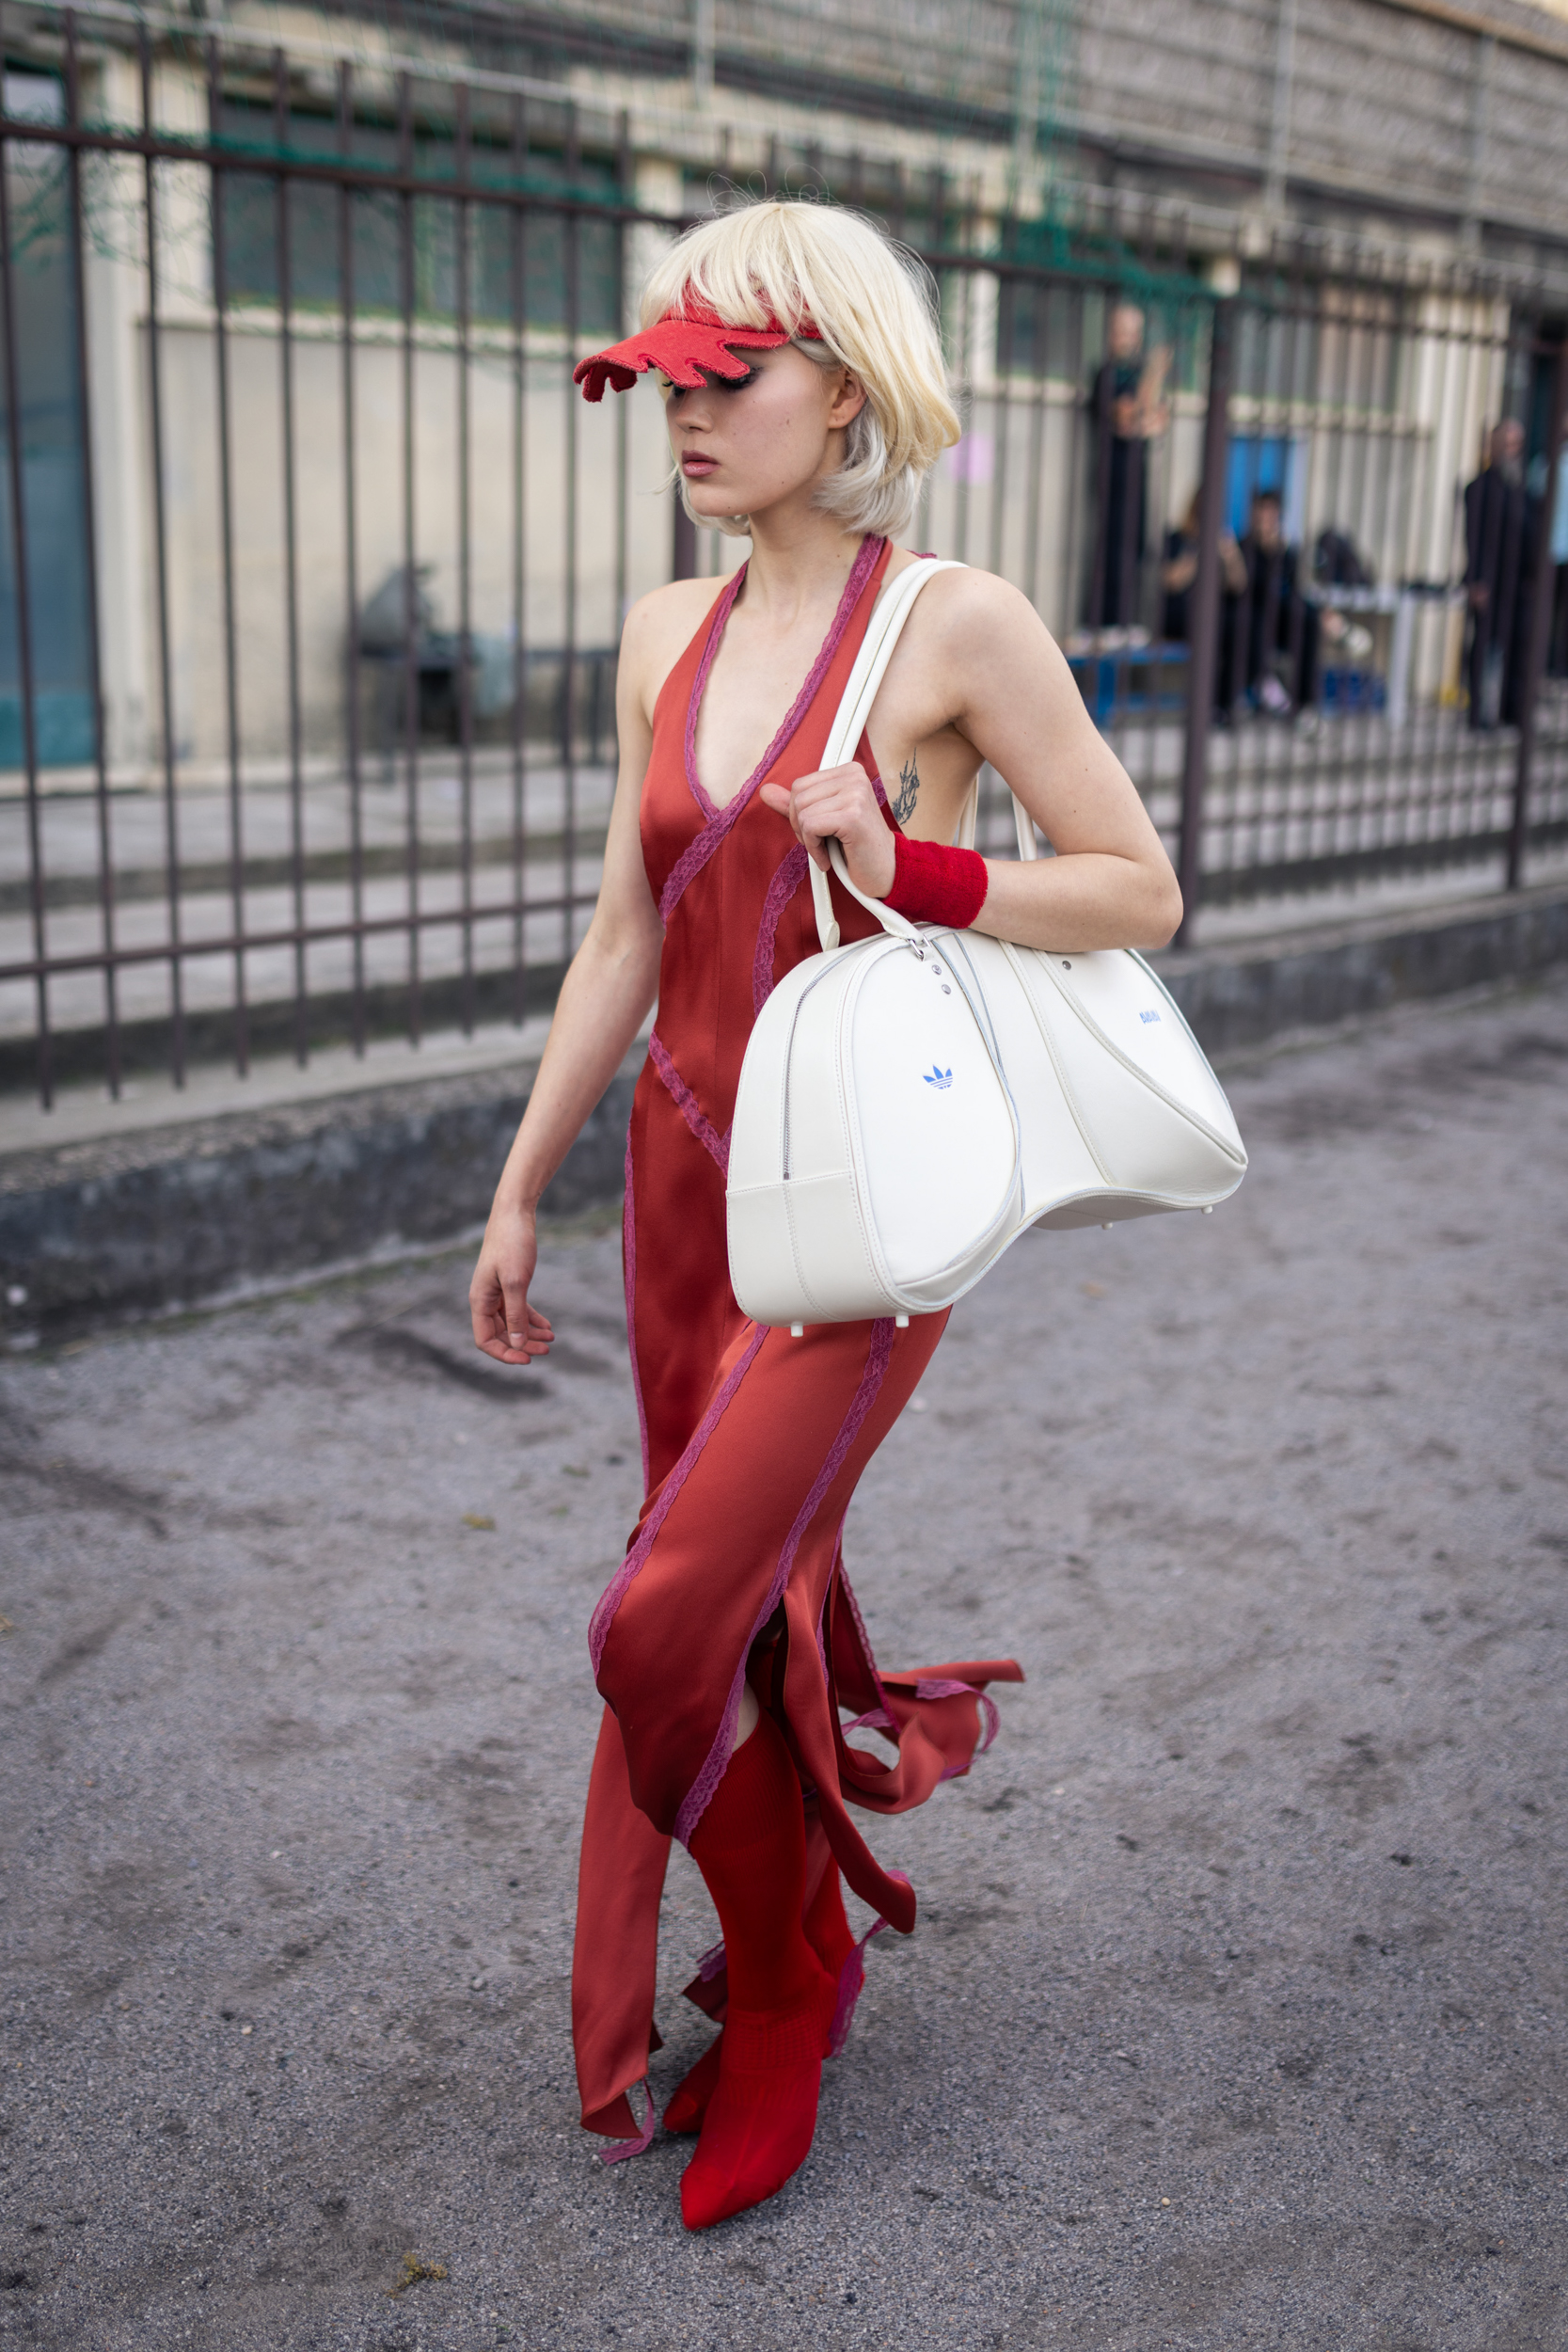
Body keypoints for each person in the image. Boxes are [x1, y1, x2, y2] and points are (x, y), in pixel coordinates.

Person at [467, 199, 1181, 2233]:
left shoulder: (951, 623)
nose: (681, 418)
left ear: (841, 392)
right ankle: (801, 1947)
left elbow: (1134, 886)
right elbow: (621, 931)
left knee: (657, 1618)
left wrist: (913, 862)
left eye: (727, 381)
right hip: (673, 1203)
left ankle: (782, 1975)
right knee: (731, 1600)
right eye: (663, 382)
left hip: (864, 1201)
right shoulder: (654, 632)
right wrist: (518, 1182)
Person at [1088, 302, 1170, 631]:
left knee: (1136, 547)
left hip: (1138, 473)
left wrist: (1143, 415)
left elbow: (1155, 420)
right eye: (1119, 331)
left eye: (1131, 332)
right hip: (1113, 474)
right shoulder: (1106, 374)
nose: (1124, 338)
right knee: (1113, 549)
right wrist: (1155, 373)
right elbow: (1130, 413)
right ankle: (1108, 623)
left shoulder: (1135, 374)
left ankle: (1126, 621)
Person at [1464, 419, 1530, 729]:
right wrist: (1476, 581)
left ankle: (1510, 711)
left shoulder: (1521, 489)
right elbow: (1473, 538)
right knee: (1484, 647)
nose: (1511, 450)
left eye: (1516, 444)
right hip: (1489, 580)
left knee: (1517, 644)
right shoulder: (1478, 488)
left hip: (1518, 582)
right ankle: (1477, 714)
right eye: (1507, 443)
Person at [1160, 486, 1246, 710]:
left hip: (1212, 615)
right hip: (1180, 614)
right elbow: (1172, 581)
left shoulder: (1222, 540)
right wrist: (1200, 551)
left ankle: (1223, 701)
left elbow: (1238, 584)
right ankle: (1206, 701)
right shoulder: (1176, 538)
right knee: (1210, 628)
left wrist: (1231, 556)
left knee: (1239, 625)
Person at [1238, 488, 1322, 717]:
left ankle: (1305, 702)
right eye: (1261, 510)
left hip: (1281, 619)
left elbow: (1293, 589)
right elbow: (1246, 587)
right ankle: (1263, 687)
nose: (1265, 517)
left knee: (1309, 618)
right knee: (1251, 623)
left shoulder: (1286, 551)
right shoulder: (1242, 547)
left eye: (1270, 511)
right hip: (1253, 616)